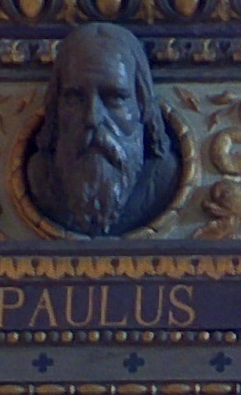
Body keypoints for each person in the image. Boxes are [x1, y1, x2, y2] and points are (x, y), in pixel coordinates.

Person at [18, 17, 184, 240]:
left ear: (143, 106)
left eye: (115, 98)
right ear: (56, 109)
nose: (92, 118)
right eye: (75, 97)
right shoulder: (40, 181)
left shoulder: (163, 181)